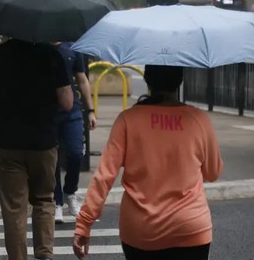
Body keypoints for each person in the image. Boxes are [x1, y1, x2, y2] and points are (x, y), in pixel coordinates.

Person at [73, 65, 223, 260]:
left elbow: (104, 176)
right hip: (190, 226)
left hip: (141, 229)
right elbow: (212, 173)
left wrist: (84, 223)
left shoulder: (128, 119)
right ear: (180, 81)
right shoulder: (199, 119)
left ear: (148, 81)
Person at [0, 39, 73, 260]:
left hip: (7, 142)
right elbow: (68, 102)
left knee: (14, 207)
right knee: (43, 199)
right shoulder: (52, 55)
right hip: (44, 142)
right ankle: (44, 254)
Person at [52, 42, 97, 223]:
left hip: (72, 111)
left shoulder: (72, 49)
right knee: (52, 158)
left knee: (76, 153)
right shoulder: (40, 48)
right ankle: (57, 201)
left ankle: (70, 192)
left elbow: (82, 79)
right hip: (48, 112)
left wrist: (91, 110)